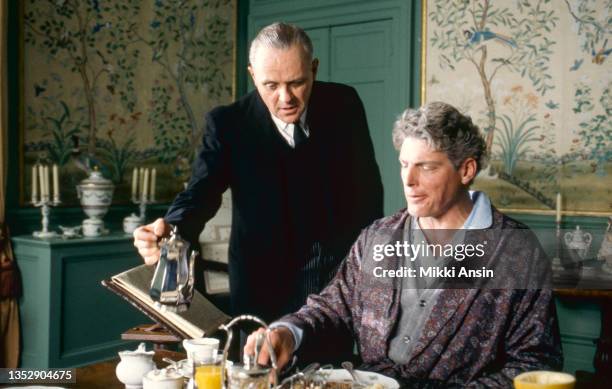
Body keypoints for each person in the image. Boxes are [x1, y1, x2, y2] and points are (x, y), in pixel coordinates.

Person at [244, 102, 562, 387]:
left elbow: (535, 363)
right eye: (403, 164)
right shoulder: (378, 236)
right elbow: (333, 306)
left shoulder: (517, 252)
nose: (408, 180)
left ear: (466, 170)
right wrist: (289, 332)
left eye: (426, 167)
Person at [133, 22, 383, 322]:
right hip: (260, 278)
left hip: (332, 273)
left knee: (329, 364)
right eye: (271, 85)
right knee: (259, 365)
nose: (285, 98)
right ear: (253, 75)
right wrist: (171, 229)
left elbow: (368, 190)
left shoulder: (344, 104)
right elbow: (201, 193)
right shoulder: (228, 124)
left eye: (297, 82)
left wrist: (368, 264)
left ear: (314, 69)